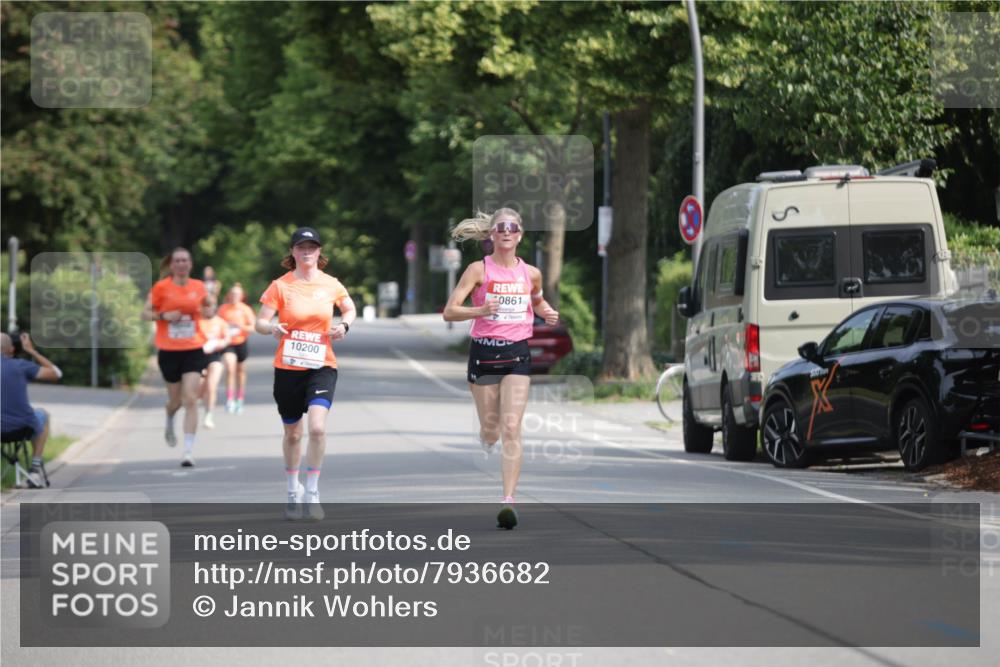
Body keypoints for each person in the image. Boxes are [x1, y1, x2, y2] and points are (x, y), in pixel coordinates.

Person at [443, 208, 559, 530]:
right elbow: (450, 311)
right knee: (492, 430)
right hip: (484, 353)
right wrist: (480, 310)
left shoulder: (531, 273)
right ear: (492, 234)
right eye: (501, 227)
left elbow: (536, 299)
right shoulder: (478, 270)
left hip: (517, 354)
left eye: (513, 227)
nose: (507, 231)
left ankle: (508, 501)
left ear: (520, 235)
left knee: (511, 427)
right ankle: (486, 435)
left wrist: (547, 311)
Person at [255, 227, 356, 520]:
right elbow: (259, 323)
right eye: (302, 247)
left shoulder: (331, 284)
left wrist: (344, 326)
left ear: (319, 251)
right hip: (288, 368)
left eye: (312, 247)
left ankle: (312, 490)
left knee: (317, 428)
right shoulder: (281, 286)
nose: (307, 251)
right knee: (293, 434)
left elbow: (349, 309)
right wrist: (271, 328)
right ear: (293, 252)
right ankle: (292, 489)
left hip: (322, 365)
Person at [143, 248, 214, 467]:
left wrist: (209, 311)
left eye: (185, 260)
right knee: (176, 401)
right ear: (172, 265)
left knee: (190, 398)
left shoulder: (199, 286)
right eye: (178, 261)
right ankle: (170, 413)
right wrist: (164, 315)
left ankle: (188, 451)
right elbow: (145, 313)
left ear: (190, 264)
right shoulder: (161, 287)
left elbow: (209, 308)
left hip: (194, 348)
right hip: (169, 351)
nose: (181, 264)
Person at [1, 332, 63, 488]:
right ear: (11, 350)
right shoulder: (21, 365)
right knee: (43, 414)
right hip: (22, 428)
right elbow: (57, 373)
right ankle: (34, 471)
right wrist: (31, 351)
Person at [218, 283, 256, 414]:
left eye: (237, 294)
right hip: (228, 343)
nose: (234, 296)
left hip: (241, 342)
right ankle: (230, 399)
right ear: (229, 295)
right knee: (230, 367)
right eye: (232, 293)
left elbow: (253, 327)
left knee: (240, 371)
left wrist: (241, 326)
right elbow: (216, 324)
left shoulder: (245, 309)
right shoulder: (223, 309)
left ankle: (239, 398)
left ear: (241, 296)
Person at [197, 303, 232, 429]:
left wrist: (221, 343)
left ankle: (209, 415)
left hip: (215, 356)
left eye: (210, 307)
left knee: (211, 386)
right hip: (198, 357)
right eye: (205, 307)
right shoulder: (197, 321)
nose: (208, 310)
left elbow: (227, 339)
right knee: (199, 389)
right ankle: (200, 399)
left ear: (214, 308)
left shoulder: (220, 322)